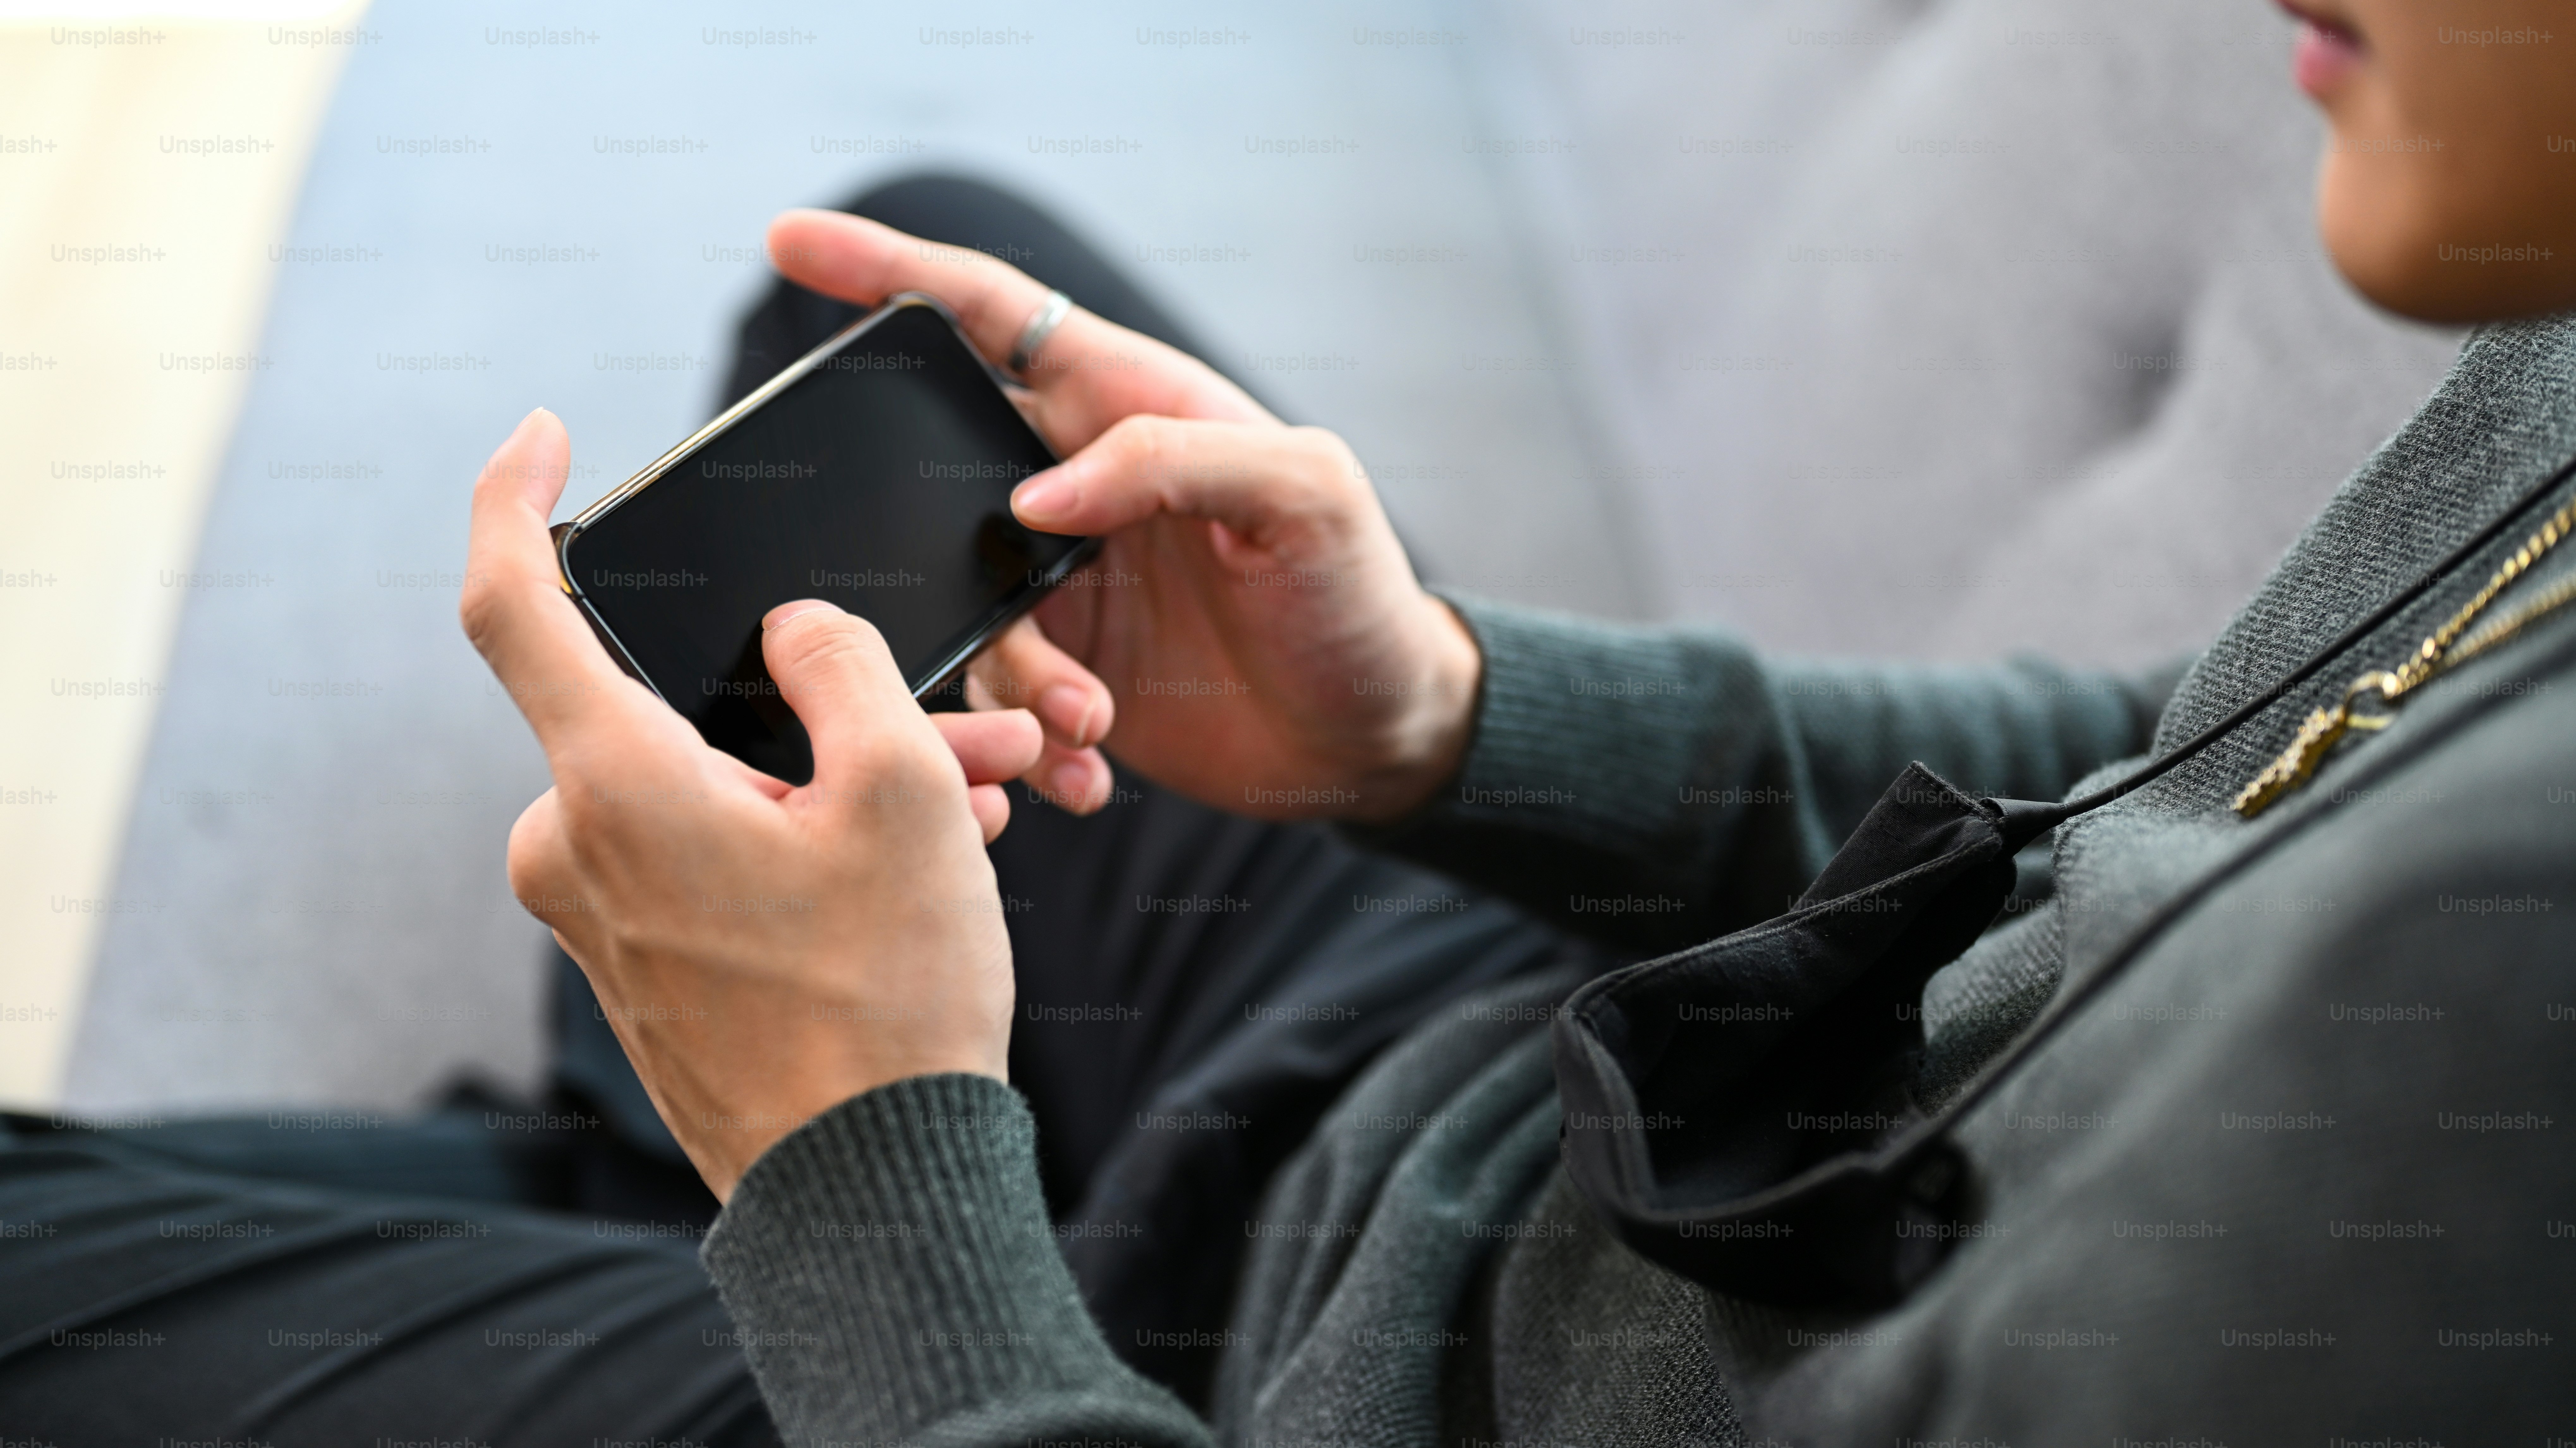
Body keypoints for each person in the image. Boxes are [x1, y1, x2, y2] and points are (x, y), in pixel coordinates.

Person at [6, 0, 2574, 1440]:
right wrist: (1444, 714)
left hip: (1218, 1389)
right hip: (1541, 1106)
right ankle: (663, 1128)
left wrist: (866, 1169)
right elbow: (2164, 766)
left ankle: (722, 1153)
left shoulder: (2504, 982)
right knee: (928, 324)